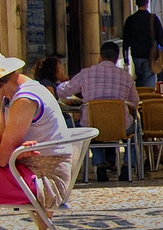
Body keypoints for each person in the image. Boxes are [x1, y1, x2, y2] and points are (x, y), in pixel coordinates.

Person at [0, 43, 74, 213]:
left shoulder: (24, 100)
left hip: (45, 182)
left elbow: (3, 158)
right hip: (27, 173)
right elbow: (2, 144)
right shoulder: (10, 98)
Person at [55, 42, 139, 182]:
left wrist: (63, 81)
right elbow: (135, 102)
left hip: (93, 125)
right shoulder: (126, 76)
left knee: (89, 129)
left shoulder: (86, 73)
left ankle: (99, 164)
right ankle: (128, 164)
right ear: (116, 57)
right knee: (136, 127)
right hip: (120, 126)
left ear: (100, 56)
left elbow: (63, 91)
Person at [123, 0, 163, 87]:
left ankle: (140, 97)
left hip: (136, 54)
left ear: (136, 3)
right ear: (147, 3)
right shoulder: (152, 18)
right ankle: (147, 99)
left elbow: (126, 40)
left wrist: (126, 58)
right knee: (149, 80)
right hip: (149, 54)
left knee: (139, 78)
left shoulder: (130, 20)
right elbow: (160, 36)